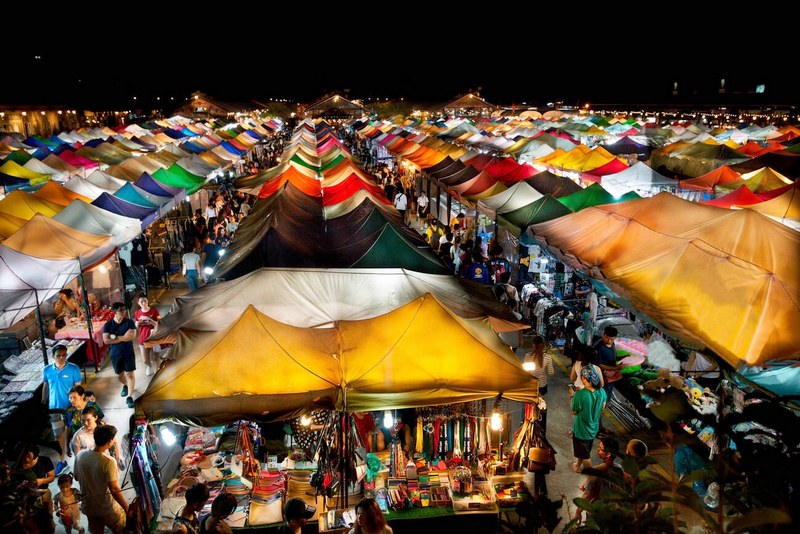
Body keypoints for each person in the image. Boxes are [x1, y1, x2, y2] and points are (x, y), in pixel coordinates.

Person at [74, 425, 128, 534]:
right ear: (109, 442)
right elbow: (114, 489)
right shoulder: (108, 461)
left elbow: (76, 477)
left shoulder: (80, 455)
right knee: (121, 529)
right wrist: (127, 507)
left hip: (89, 507)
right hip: (106, 509)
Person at [42, 344, 82, 476]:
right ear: (53, 356)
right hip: (55, 408)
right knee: (58, 435)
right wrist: (44, 400)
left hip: (70, 408)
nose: (61, 358)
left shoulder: (74, 369)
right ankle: (62, 460)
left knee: (74, 433)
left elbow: (78, 388)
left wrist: (78, 405)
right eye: (58, 355)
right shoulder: (47, 370)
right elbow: (46, 386)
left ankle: (80, 460)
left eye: (64, 355)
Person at [573, 437, 620, 524]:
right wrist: (587, 483)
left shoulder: (596, 474)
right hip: (612, 512)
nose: (597, 450)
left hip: (595, 512)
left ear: (608, 454)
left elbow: (587, 496)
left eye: (600, 449)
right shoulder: (619, 469)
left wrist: (577, 512)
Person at [571, 365, 607, 472]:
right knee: (584, 450)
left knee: (586, 456)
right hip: (593, 428)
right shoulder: (601, 391)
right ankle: (577, 466)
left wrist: (574, 396)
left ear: (583, 378)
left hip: (581, 429)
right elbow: (603, 407)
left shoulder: (579, 395)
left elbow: (574, 411)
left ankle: (591, 477)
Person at [102, 302, 137, 409]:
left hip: (128, 352)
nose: (124, 312)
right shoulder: (108, 325)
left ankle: (130, 397)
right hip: (115, 354)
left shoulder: (130, 322)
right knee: (120, 375)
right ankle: (126, 385)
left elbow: (132, 337)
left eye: (124, 309)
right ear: (114, 312)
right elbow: (106, 341)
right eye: (121, 310)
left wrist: (116, 338)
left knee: (130, 374)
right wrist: (123, 337)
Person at [15, 444, 56, 515]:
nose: (26, 459)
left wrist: (42, 481)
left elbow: (52, 477)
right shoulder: (17, 466)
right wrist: (22, 485)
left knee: (48, 516)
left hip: (44, 494)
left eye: (28, 455)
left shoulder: (44, 461)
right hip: (29, 499)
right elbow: (15, 485)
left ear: (34, 452)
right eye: (23, 456)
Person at [134, 296, 160, 376]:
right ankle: (149, 365)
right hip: (143, 337)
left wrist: (150, 320)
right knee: (145, 359)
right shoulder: (137, 313)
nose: (144, 303)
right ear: (138, 303)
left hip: (154, 336)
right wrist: (137, 324)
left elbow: (160, 323)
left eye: (145, 301)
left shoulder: (154, 311)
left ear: (148, 301)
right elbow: (137, 325)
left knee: (155, 357)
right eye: (141, 301)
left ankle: (157, 375)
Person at [595, 326, 622, 396]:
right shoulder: (599, 347)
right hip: (602, 376)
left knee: (608, 393)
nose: (609, 341)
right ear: (603, 335)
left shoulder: (613, 344)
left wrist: (624, 357)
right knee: (602, 394)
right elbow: (599, 364)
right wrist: (615, 368)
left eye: (612, 339)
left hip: (610, 376)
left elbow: (614, 357)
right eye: (607, 338)